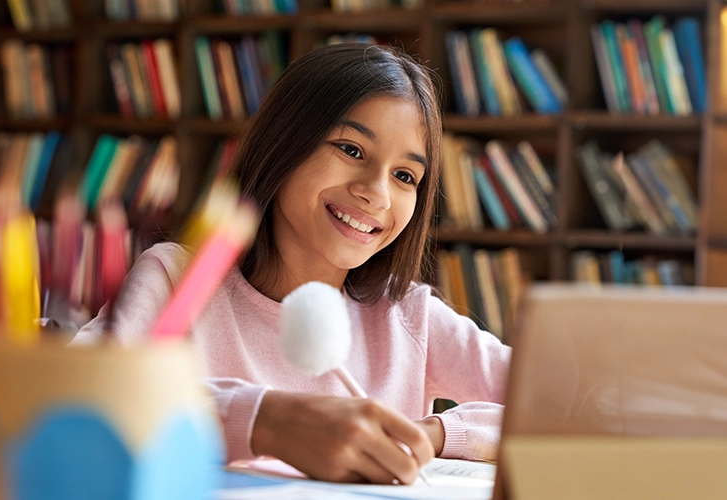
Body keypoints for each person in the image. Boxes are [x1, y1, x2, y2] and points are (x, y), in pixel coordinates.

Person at [71, 43, 511, 486]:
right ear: (285, 143)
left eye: (404, 176)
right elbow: (79, 393)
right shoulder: (176, 281)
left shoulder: (408, 316)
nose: (376, 193)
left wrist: (437, 433)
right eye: (351, 150)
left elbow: (561, 407)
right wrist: (266, 421)